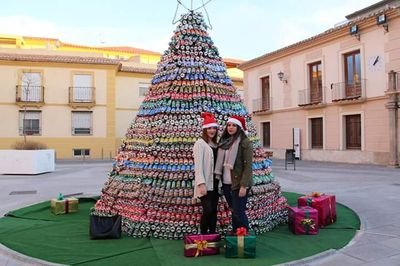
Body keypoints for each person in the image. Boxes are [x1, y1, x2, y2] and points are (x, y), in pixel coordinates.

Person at [215, 115, 253, 231]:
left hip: (238, 183)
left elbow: (248, 166)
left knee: (239, 211)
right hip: (226, 183)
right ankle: (236, 233)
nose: (230, 128)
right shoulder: (224, 142)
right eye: (229, 125)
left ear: (239, 127)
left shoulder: (244, 142)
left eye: (234, 126)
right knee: (233, 210)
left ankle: (244, 235)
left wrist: (244, 186)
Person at [193, 112, 220, 234]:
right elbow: (198, 166)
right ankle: (203, 236)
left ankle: (212, 236)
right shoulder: (200, 144)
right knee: (207, 210)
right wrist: (201, 183)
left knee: (214, 211)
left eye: (214, 128)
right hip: (205, 183)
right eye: (209, 128)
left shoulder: (216, 144)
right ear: (205, 129)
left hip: (215, 183)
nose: (212, 130)